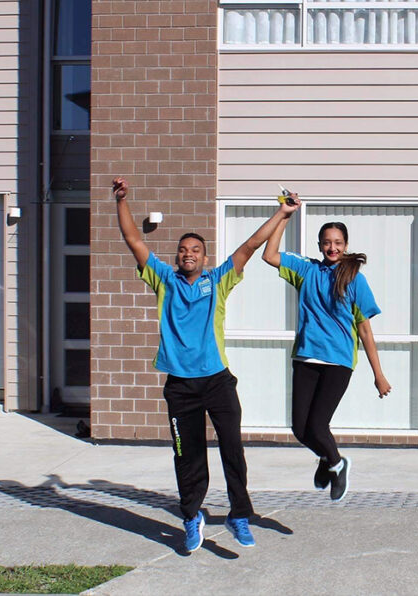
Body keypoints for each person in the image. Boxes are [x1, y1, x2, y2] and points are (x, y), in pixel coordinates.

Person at [112, 177, 298, 553]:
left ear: (205, 257)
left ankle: (239, 515)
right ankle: (191, 516)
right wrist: (121, 202)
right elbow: (134, 240)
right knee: (188, 455)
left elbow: (249, 246)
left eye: (195, 249)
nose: (188, 254)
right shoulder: (163, 279)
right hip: (180, 386)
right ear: (177, 256)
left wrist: (282, 213)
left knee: (232, 447)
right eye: (183, 249)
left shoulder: (218, 280)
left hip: (217, 381)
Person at [263, 205, 391, 502]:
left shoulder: (355, 278)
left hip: (338, 361)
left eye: (338, 243)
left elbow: (365, 330)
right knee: (299, 428)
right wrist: (284, 216)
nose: (332, 248)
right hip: (306, 357)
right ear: (319, 245)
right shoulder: (307, 269)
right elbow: (269, 255)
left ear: (346, 246)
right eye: (326, 242)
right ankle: (329, 459)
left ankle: (336, 462)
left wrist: (379, 375)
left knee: (318, 425)